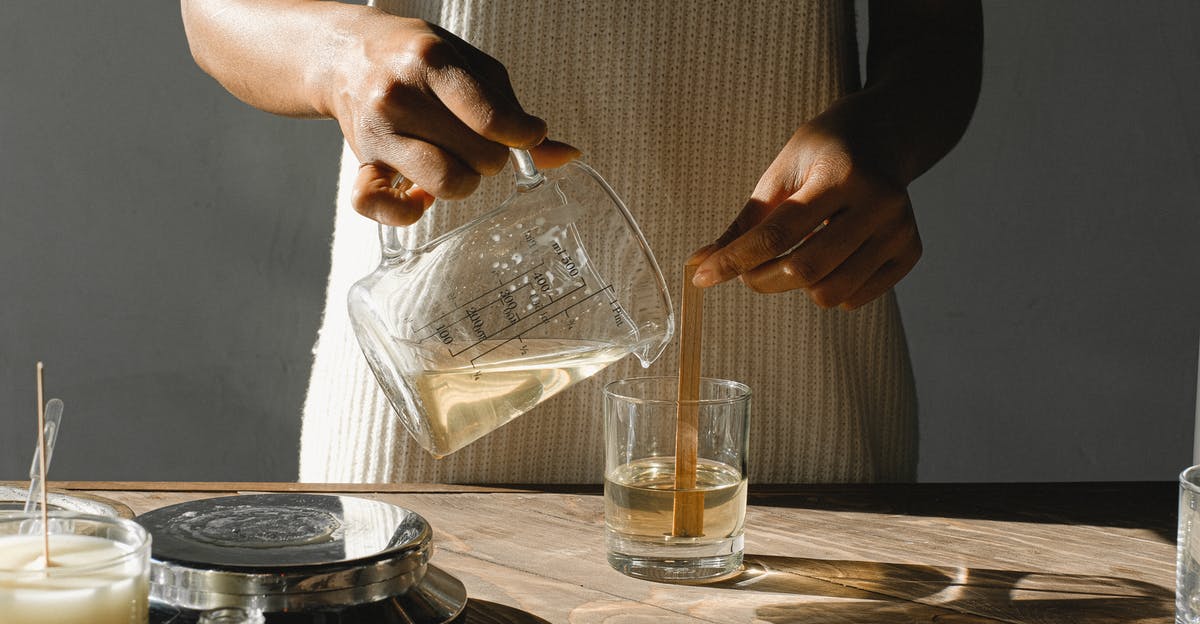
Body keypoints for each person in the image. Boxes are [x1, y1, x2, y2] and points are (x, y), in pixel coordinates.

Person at [181, 0, 982, 484]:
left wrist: (886, 134)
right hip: (424, 408)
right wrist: (342, 59)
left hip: (798, 413)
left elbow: (937, 34)